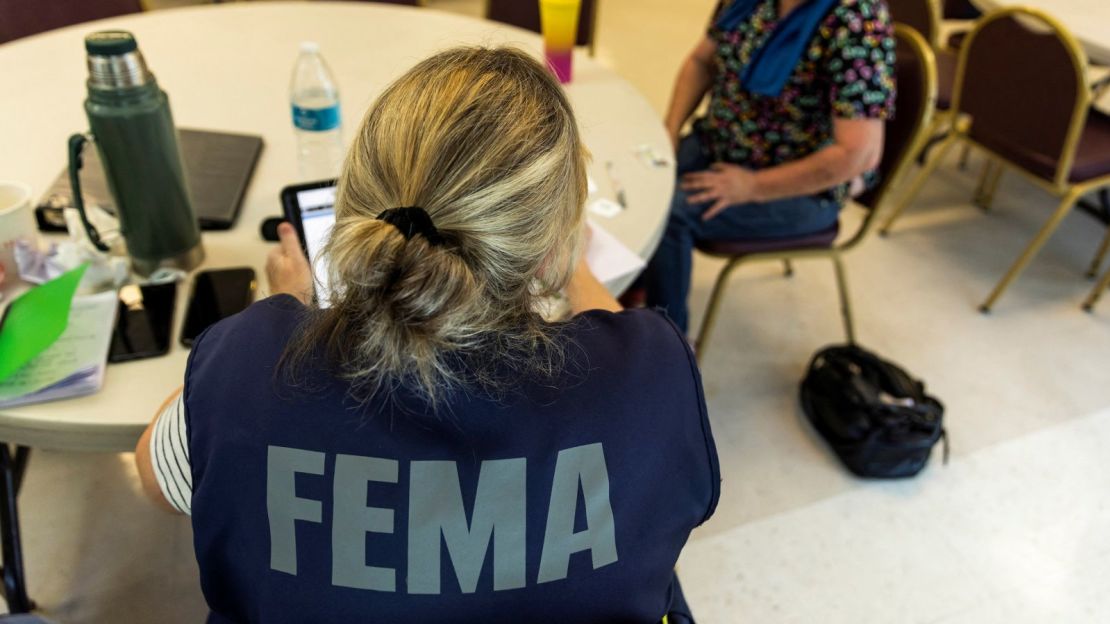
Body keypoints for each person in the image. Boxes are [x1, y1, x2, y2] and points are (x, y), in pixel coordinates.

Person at [134, 47, 719, 624]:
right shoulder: (652, 374)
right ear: (545, 253)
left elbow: (156, 480)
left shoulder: (249, 365)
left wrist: (284, 307)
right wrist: (573, 267)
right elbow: (618, 346)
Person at [643, 0, 896, 332]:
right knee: (642, 177)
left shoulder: (856, 22)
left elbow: (858, 154)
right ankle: (634, 291)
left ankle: (666, 348)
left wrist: (752, 187)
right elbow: (702, 61)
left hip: (801, 188)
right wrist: (671, 130)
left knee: (672, 213)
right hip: (719, 143)